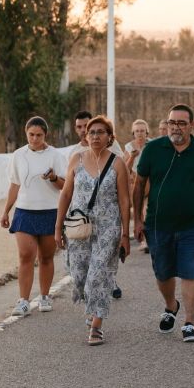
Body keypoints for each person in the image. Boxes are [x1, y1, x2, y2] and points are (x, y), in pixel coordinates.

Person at [133, 104, 194, 343]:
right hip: (158, 223)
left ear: (192, 125)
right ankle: (171, 305)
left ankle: (189, 322)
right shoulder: (153, 149)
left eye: (181, 123)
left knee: (190, 271)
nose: (176, 127)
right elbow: (139, 184)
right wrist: (137, 220)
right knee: (163, 273)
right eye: (172, 122)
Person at [54, 115, 130, 346]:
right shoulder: (76, 160)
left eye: (101, 132)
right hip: (79, 226)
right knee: (79, 274)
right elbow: (66, 194)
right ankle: (92, 305)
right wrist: (58, 227)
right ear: (86, 137)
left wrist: (125, 234)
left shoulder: (117, 163)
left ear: (109, 137)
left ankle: (96, 325)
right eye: (92, 132)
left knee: (98, 274)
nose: (96, 136)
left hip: (108, 227)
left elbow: (124, 200)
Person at [0, 117, 67, 316]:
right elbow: (14, 184)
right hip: (24, 211)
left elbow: (65, 185)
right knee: (25, 255)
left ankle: (45, 296)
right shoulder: (18, 155)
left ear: (45, 135)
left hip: (49, 211)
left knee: (46, 257)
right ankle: (23, 301)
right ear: (26, 132)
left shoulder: (56, 155)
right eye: (31, 134)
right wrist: (6, 211)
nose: (35, 139)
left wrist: (53, 177)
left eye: (39, 135)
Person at [125, 119, 151, 256]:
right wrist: (132, 157)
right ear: (133, 133)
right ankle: (143, 240)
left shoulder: (152, 145)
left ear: (147, 132)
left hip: (151, 181)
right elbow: (125, 169)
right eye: (137, 131)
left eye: (142, 131)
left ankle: (148, 240)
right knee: (138, 211)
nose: (140, 134)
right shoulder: (129, 147)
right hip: (135, 183)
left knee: (147, 210)